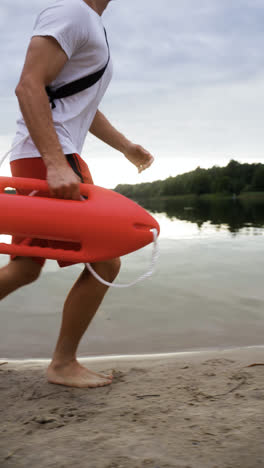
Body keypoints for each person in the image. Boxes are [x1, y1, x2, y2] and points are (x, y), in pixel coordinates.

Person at [0, 0, 154, 388]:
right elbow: (28, 85)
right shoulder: (70, 12)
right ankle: (63, 363)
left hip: (46, 152)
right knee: (104, 261)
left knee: (25, 268)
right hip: (50, 154)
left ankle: (63, 362)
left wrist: (125, 146)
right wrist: (54, 162)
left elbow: (81, 104)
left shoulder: (90, 25)